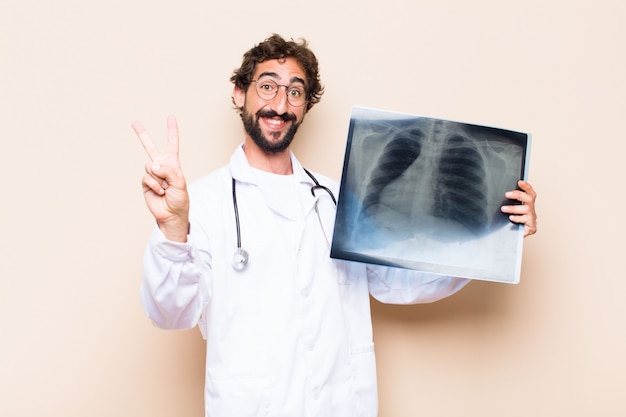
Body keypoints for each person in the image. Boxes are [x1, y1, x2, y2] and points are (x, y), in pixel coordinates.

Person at [132, 34, 538, 417]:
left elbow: (399, 283)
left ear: (305, 107)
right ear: (240, 93)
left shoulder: (338, 199)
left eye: (295, 91)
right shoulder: (200, 205)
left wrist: (498, 232)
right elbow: (170, 313)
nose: (280, 103)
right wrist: (172, 229)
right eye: (267, 86)